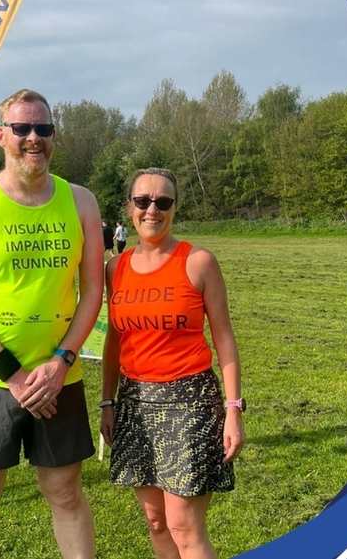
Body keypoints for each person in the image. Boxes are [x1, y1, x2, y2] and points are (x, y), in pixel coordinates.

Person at [0, 89, 104, 559]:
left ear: (54, 136)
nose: (34, 138)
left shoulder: (82, 202)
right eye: (22, 129)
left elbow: (92, 291)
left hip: (60, 376)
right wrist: (14, 377)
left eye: (44, 129)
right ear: (1, 136)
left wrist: (60, 362)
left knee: (66, 491)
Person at [100, 168, 244, 559]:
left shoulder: (198, 262)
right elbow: (115, 339)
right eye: (143, 201)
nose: (152, 210)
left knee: (184, 524)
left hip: (189, 400)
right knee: (156, 521)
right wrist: (107, 402)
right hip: (133, 403)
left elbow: (225, 339)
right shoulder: (116, 269)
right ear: (129, 207)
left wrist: (233, 410)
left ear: (175, 208)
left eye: (163, 202)